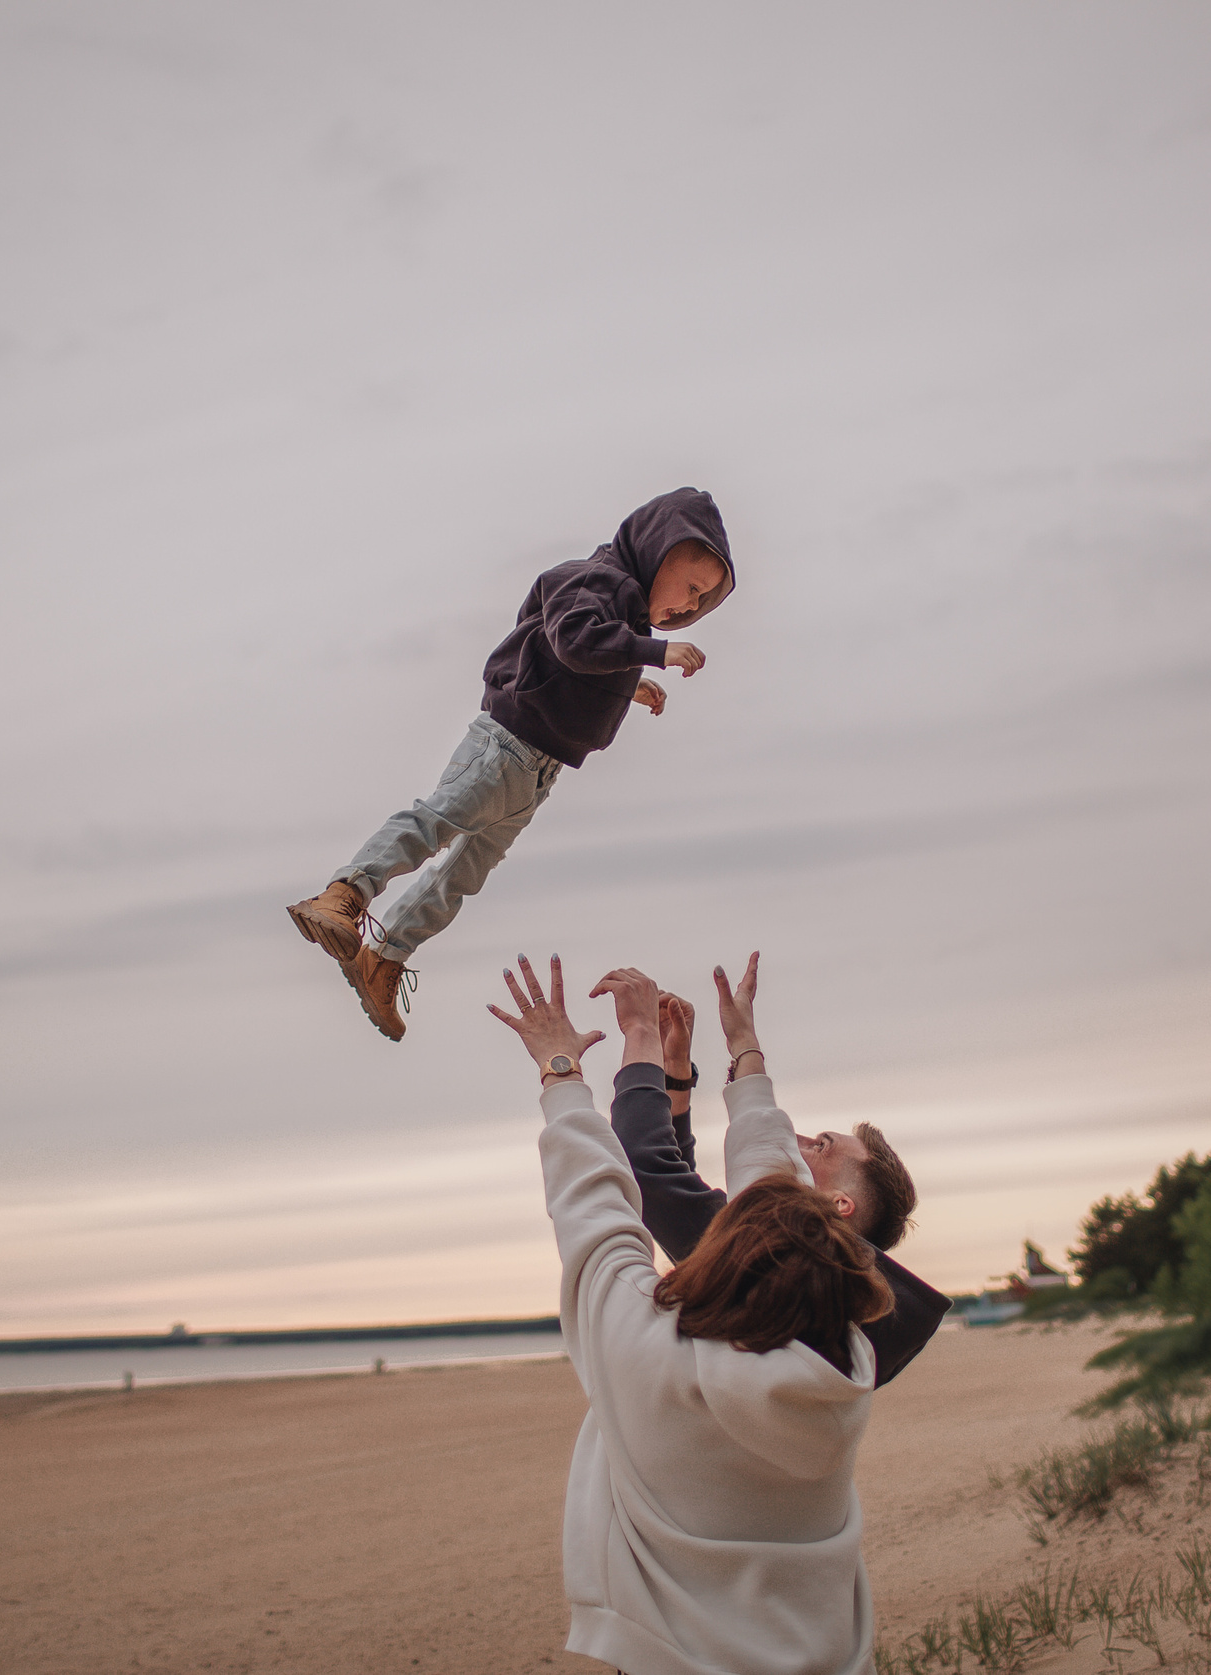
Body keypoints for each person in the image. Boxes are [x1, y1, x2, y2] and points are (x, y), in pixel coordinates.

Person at [490, 954, 890, 1675]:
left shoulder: (652, 1363)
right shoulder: (848, 1365)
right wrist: (741, 1055)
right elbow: (611, 1214)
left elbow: (601, 1207)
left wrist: (604, 1048)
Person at [288, 489, 736, 1040]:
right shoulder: (594, 581)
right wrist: (654, 653)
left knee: (463, 874)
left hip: (538, 772)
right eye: (691, 588)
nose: (689, 608)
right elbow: (573, 640)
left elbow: (585, 657)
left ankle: (381, 958)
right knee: (437, 821)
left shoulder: (621, 616)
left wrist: (630, 683)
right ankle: (344, 895)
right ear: (657, 551)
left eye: (703, 602)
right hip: (505, 745)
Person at [613, 955, 950, 1386]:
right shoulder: (824, 1308)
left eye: (822, 1146)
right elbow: (678, 1196)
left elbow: (648, 1173)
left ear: (839, 1204)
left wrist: (639, 1036)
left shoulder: (771, 1264)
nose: (800, 1138)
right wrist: (677, 1076)